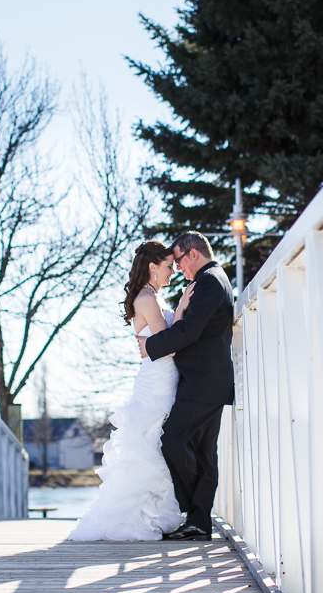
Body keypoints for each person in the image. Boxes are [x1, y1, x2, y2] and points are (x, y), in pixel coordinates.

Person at [68, 240, 195, 541]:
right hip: (156, 383)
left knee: (159, 447)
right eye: (167, 267)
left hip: (163, 379)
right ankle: (135, 518)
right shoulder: (146, 298)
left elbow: (159, 343)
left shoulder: (153, 297)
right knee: (151, 447)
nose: (171, 272)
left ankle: (157, 514)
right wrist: (181, 309)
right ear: (152, 267)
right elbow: (167, 347)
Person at [137, 232, 234, 542]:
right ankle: (198, 522)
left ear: (193, 254)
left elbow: (189, 332)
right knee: (204, 453)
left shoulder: (209, 281)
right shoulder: (215, 278)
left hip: (202, 382)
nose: (177, 268)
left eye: (178, 260)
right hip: (209, 381)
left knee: (173, 440)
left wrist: (151, 345)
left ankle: (194, 514)